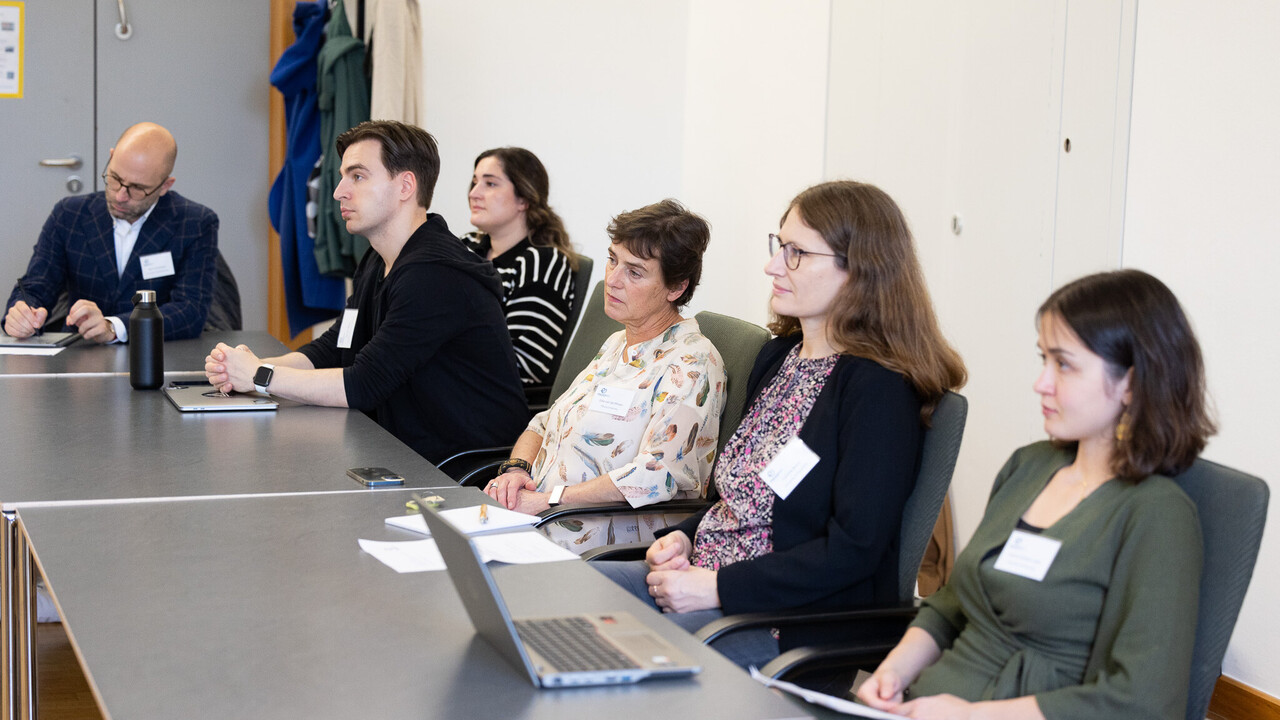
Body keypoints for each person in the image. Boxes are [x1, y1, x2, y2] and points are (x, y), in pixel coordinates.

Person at [592, 181, 967, 668]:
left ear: (858, 270)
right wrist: (685, 536)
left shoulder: (879, 389)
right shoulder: (779, 357)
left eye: (796, 253)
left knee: (624, 656)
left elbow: (852, 550)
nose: (773, 266)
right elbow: (743, 498)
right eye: (779, 246)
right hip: (706, 580)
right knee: (574, 591)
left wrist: (718, 587)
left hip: (786, 618)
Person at [857, 269, 1215, 720]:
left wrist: (971, 716)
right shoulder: (1029, 467)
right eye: (1044, 359)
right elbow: (951, 604)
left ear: (1131, 382)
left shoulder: (1157, 515)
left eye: (1063, 364)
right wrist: (892, 674)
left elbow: (1142, 702)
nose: (1041, 383)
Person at [204, 120, 527, 463]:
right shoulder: (378, 258)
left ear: (405, 186)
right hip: (399, 445)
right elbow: (335, 347)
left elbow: (362, 384)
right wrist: (245, 369)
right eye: (344, 176)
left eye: (357, 176)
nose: (338, 191)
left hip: (460, 466)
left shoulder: (435, 274)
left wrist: (259, 376)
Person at [485, 199, 726, 553]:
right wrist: (516, 470)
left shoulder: (691, 362)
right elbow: (544, 423)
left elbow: (656, 476)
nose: (611, 280)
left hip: (593, 544)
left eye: (635, 272)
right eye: (613, 260)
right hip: (536, 519)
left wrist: (551, 500)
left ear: (676, 288)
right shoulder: (618, 342)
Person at [5, 122, 218, 343]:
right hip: (79, 353)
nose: (120, 196)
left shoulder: (195, 223)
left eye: (137, 188)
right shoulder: (69, 214)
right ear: (111, 157)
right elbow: (35, 286)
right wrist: (22, 312)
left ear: (165, 186)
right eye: (115, 178)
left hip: (155, 355)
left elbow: (190, 311)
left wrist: (114, 327)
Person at [463, 147, 578, 387]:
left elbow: (524, 364)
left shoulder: (542, 263)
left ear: (524, 198)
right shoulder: (467, 247)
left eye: (490, 184)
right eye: (474, 182)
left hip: (488, 399)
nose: (474, 193)